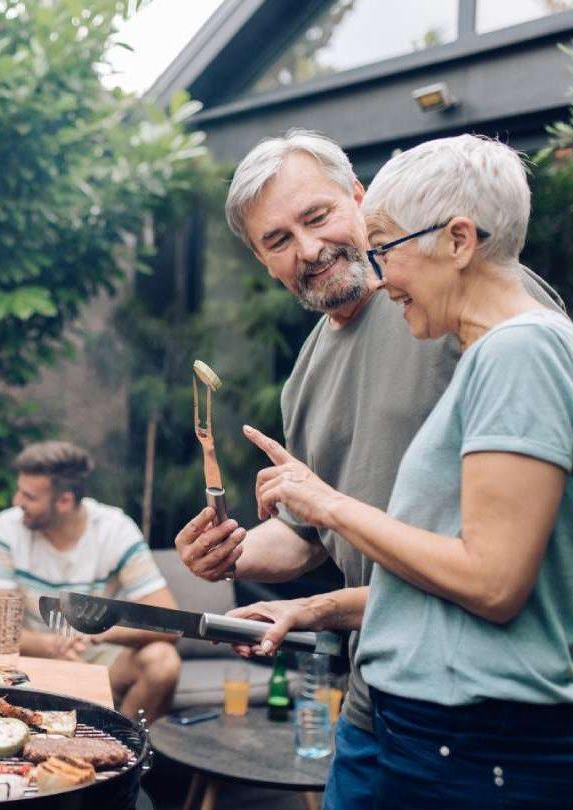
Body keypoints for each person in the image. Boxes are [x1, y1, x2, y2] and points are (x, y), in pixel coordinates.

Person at [172, 129, 564, 808]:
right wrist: (231, 552)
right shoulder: (306, 373)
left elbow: (501, 566)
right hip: (378, 698)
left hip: (477, 710)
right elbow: (310, 535)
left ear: (361, 197)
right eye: (278, 240)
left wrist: (326, 510)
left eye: (318, 217)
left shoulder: (464, 308)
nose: (310, 249)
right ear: (262, 261)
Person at [0, 441, 180, 722]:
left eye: (29, 496)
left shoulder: (115, 530)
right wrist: (52, 645)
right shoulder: (7, 528)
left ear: (64, 501)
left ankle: (122, 747)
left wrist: (95, 633)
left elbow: (168, 621)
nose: (17, 502)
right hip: (29, 658)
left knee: (163, 661)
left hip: (97, 660)